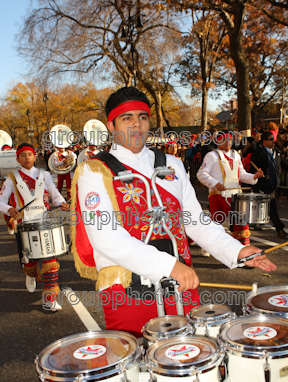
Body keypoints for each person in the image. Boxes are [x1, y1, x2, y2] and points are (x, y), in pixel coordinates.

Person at [71, 87, 275, 338]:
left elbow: (195, 221)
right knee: (136, 366)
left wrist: (236, 250)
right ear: (111, 126)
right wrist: (169, 266)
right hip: (126, 287)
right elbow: (106, 238)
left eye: (142, 117)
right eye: (127, 118)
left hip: (180, 281)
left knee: (188, 358)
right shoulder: (94, 171)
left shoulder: (172, 164)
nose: (136, 125)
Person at [0, 143, 69, 310]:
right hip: (25, 225)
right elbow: (1, 200)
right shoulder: (12, 178)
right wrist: (9, 209)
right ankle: (30, 274)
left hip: (45, 222)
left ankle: (50, 299)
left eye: (29, 154)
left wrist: (61, 203)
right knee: (30, 261)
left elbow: (54, 193)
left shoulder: (44, 175)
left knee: (50, 260)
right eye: (22, 155)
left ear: (35, 156)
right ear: (17, 159)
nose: (27, 157)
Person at [196, 132, 264, 247]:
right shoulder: (212, 155)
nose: (228, 142)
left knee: (240, 220)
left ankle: (242, 248)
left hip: (236, 194)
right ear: (217, 142)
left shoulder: (236, 155)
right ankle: (208, 245)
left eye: (230, 139)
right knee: (216, 222)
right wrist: (215, 184)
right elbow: (201, 173)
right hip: (218, 194)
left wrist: (254, 176)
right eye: (224, 140)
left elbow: (241, 175)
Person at [250, 131, 288, 238]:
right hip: (262, 184)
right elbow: (253, 168)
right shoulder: (258, 152)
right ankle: (279, 228)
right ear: (264, 141)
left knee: (269, 208)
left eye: (273, 139)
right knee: (272, 207)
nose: (273, 142)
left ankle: (257, 223)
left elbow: (283, 165)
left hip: (273, 184)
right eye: (271, 139)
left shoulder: (276, 152)